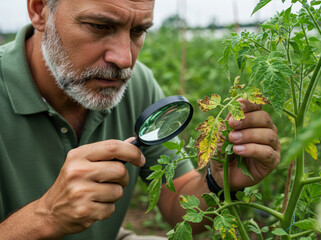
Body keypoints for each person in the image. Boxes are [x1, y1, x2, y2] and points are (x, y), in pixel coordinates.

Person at [0, 0, 280, 239]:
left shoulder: (136, 84)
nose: (124, 59)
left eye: (138, 31)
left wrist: (219, 182)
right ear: (39, 10)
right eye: (99, 26)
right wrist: (47, 216)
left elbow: (177, 201)